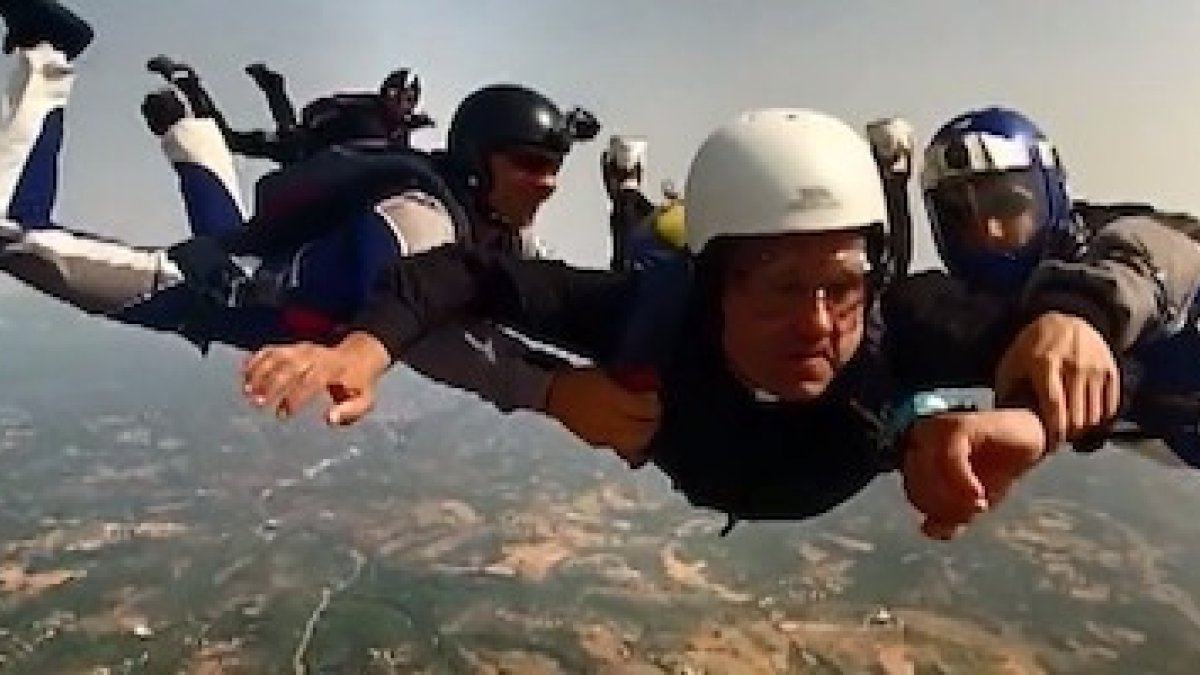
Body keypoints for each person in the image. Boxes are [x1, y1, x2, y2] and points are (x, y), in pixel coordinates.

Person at [243, 108, 1098, 536]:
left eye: (842, 286)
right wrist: (364, 347)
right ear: (715, 284)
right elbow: (460, 270)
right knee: (642, 255)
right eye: (777, 288)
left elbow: (1093, 346)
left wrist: (1038, 399)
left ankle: (653, 196)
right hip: (690, 340)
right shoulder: (657, 313)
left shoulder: (900, 320)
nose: (817, 323)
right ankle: (629, 195)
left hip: (783, 448)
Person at [0, 1, 648, 449]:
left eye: (554, 167)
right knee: (14, 236)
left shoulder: (496, 229)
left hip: (254, 276)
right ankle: (45, 51)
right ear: (481, 162)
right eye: (530, 165)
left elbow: (547, 295)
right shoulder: (424, 223)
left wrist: (627, 212)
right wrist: (549, 390)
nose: (548, 183)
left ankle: (189, 123)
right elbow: (424, 323)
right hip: (208, 290)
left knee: (230, 237)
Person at [889, 106, 1200, 464]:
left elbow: (1165, 253)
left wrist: (1084, 314)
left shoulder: (1114, 242)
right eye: (959, 216)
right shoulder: (952, 312)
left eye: (1008, 204)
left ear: (1051, 195)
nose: (989, 230)